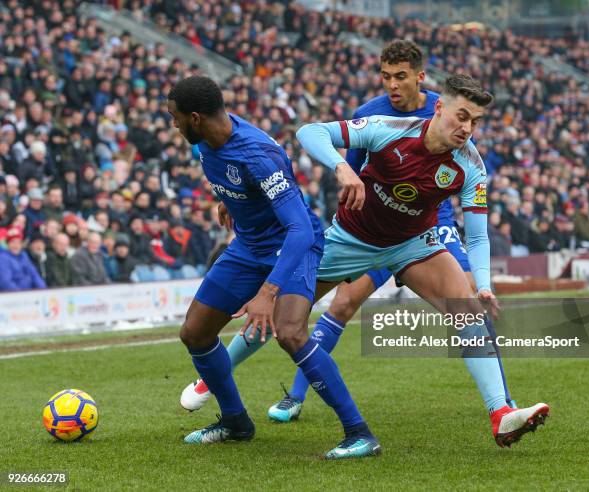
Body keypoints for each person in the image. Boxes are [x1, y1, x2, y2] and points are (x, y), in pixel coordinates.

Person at [190, 74, 550, 448]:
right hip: (350, 240)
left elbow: (477, 235)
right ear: (439, 107)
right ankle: (212, 378)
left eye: (475, 121)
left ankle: (500, 414)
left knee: (467, 312)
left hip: (413, 245)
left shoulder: (471, 166)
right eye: (461, 116)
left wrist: (485, 283)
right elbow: (309, 131)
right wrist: (342, 167)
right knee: (282, 312)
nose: (467, 128)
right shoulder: (388, 129)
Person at [167, 75, 380, 459]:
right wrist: (233, 201)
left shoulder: (255, 155)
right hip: (250, 244)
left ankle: (359, 433)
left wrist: (267, 292)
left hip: (293, 244)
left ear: (195, 117)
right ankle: (235, 421)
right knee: (195, 332)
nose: (174, 124)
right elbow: (238, 182)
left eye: (175, 117)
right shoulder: (206, 142)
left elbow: (298, 227)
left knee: (290, 332)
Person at [0, 226, 47, 291]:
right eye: (13, 242)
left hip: (28, 293)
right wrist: (20, 294)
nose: (16, 245)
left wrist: (44, 289)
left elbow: (34, 274)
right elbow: (5, 282)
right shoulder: (3, 258)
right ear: (8, 244)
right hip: (14, 296)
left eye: (18, 243)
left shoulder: (24, 256)